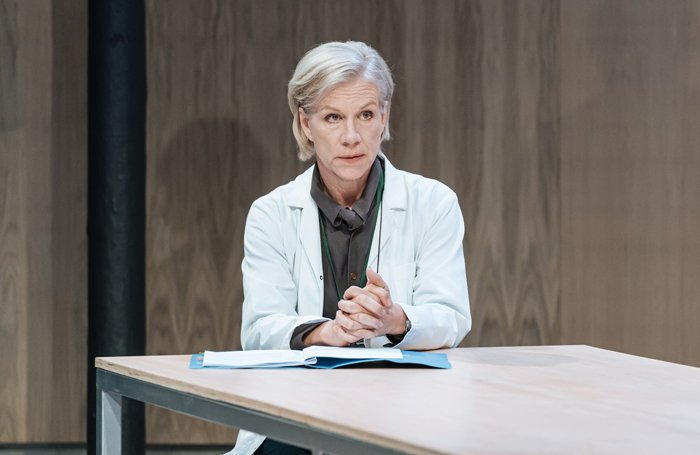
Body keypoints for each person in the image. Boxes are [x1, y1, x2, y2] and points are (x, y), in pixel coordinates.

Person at [228, 41, 471, 455]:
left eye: (365, 115)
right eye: (332, 118)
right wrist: (328, 332)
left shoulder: (434, 203)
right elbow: (259, 329)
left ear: (384, 117)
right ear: (306, 124)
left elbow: (450, 317)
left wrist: (394, 320)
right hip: (297, 411)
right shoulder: (271, 213)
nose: (351, 137)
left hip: (403, 411)